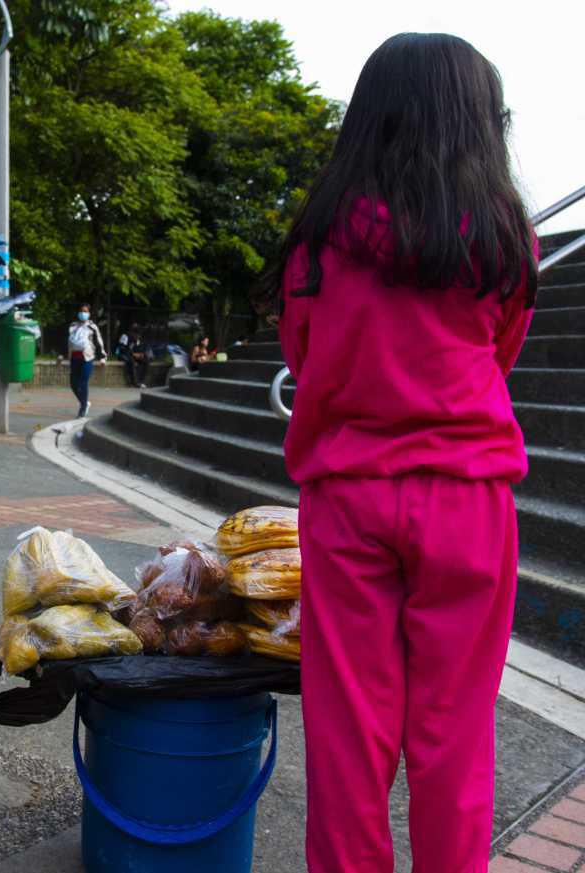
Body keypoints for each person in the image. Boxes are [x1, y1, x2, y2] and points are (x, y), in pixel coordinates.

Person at [266, 33, 538, 873]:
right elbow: (502, 354)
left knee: (349, 730)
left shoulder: (317, 243)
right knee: (455, 731)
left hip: (348, 498)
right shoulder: (501, 240)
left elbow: (306, 357)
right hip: (468, 496)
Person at [67, 303, 106, 417]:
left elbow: (99, 342)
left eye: (85, 311)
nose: (83, 313)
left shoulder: (92, 327)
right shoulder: (73, 326)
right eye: (81, 311)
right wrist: (61, 355)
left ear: (89, 313)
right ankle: (85, 402)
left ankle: (83, 407)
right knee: (73, 384)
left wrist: (102, 357)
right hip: (74, 358)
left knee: (83, 383)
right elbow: (68, 341)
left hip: (87, 358)